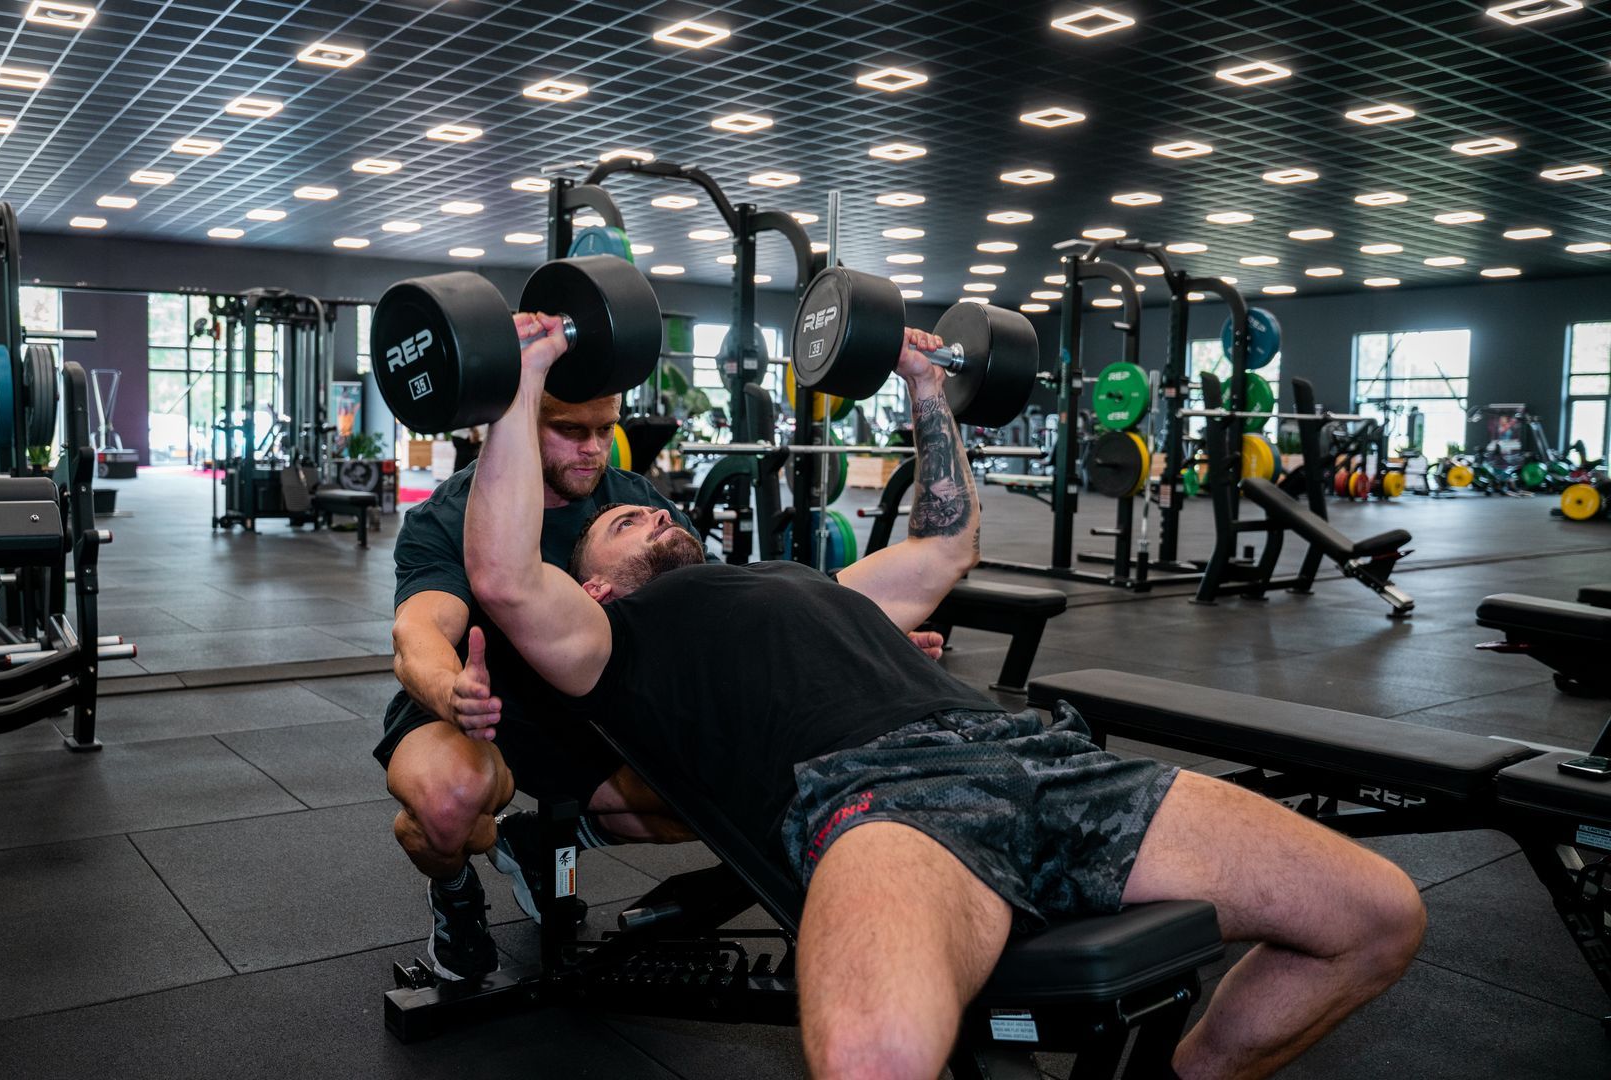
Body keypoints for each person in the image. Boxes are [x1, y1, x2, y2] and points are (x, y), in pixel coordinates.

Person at [462, 314, 1427, 1080]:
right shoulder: (613, 643)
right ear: (591, 588)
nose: (654, 512)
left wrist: (931, 391)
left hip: (1036, 756)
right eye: (626, 521)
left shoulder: (809, 585)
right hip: (878, 806)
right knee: (875, 1059)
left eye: (657, 508)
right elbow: (506, 579)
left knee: (1374, 914)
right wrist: (520, 389)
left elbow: (947, 541)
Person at [380, 332, 943, 983]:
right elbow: (415, 632)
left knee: (740, 785)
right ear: (519, 417)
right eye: (569, 430)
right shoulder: (449, 517)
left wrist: (858, 636)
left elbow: (725, 616)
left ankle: (541, 848)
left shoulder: (637, 505)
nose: (593, 448)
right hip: (477, 704)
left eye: (604, 428)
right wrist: (451, 689)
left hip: (594, 711)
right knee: (450, 800)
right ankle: (456, 901)